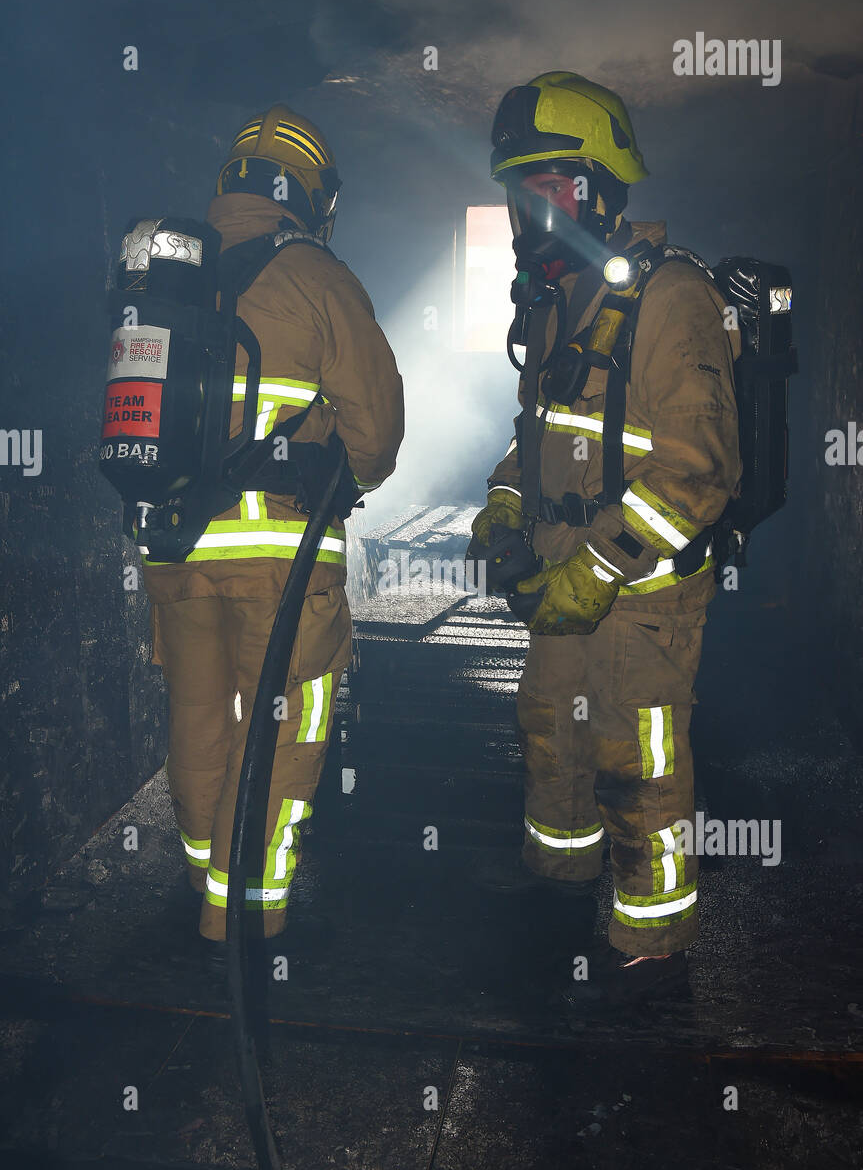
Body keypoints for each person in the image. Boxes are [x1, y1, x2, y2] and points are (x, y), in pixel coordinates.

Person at [469, 72, 741, 1006]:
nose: (527, 212)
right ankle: (560, 892)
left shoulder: (671, 299)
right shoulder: (553, 303)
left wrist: (598, 566)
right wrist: (505, 502)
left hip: (643, 591)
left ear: (598, 190)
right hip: (561, 585)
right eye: (519, 191)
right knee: (551, 736)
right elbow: (538, 439)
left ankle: (652, 940)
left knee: (640, 760)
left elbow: (700, 470)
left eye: (545, 190)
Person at [141, 105, 404, 945]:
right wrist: (335, 480)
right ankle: (244, 917)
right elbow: (377, 435)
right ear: (311, 194)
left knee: (199, 720)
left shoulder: (171, 277)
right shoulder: (317, 276)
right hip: (282, 563)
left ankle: (202, 883)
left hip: (178, 553)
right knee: (283, 731)